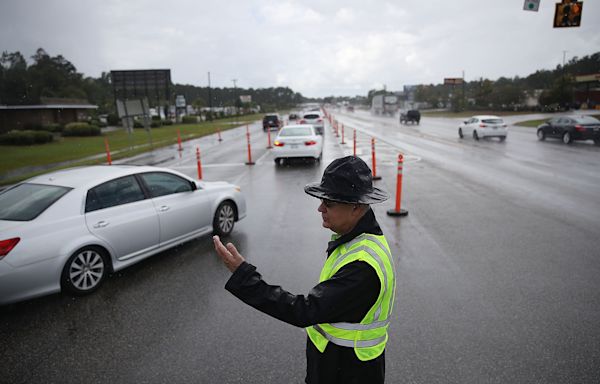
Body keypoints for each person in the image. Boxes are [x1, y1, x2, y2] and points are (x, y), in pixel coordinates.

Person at [213, 155, 396, 384]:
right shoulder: (358, 239)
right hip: (338, 363)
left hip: (348, 371)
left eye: (329, 202)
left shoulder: (362, 266)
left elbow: (304, 311)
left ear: (356, 207)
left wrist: (244, 276)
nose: (320, 208)